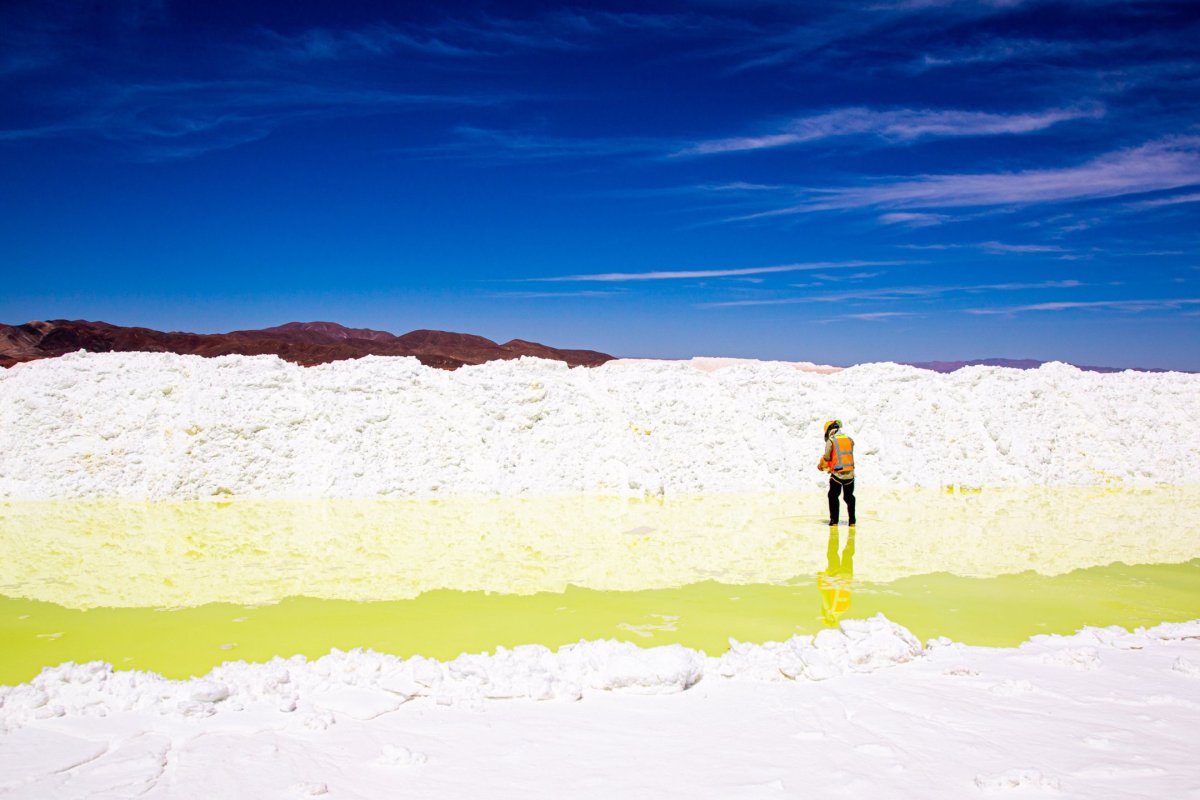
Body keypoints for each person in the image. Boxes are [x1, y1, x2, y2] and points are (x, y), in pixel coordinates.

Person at [817, 419, 856, 526]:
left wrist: (822, 465)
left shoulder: (831, 441)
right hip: (850, 474)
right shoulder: (849, 439)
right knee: (849, 497)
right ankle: (852, 521)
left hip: (837, 475)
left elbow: (827, 457)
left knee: (833, 496)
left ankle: (834, 521)